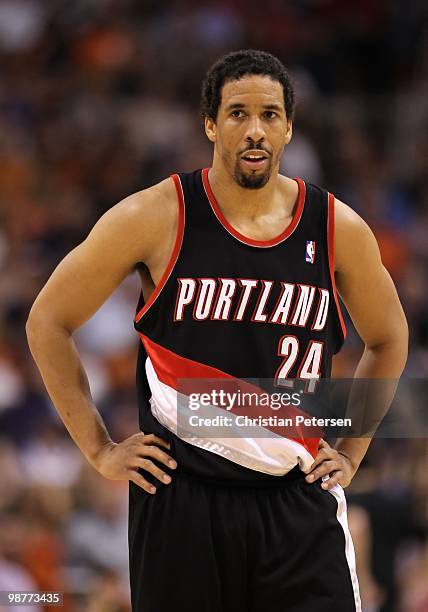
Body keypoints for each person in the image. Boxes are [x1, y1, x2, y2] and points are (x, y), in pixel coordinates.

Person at [26, 50, 408, 612]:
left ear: (289, 127)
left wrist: (352, 452)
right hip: (182, 499)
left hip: (296, 502)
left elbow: (389, 338)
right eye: (237, 113)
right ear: (210, 123)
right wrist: (99, 449)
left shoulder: (336, 227)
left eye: (270, 115)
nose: (255, 130)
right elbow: (47, 321)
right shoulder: (155, 215)